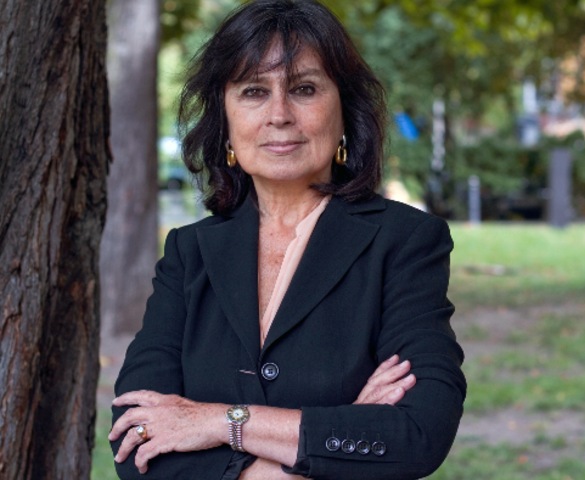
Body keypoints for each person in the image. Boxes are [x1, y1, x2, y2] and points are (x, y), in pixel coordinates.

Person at [107, 1, 466, 478]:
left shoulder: (405, 242)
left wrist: (218, 421)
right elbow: (134, 438)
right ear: (225, 120)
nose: (279, 114)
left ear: (344, 111)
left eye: (304, 89)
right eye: (254, 91)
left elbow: (419, 433)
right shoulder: (189, 253)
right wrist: (319, 453)